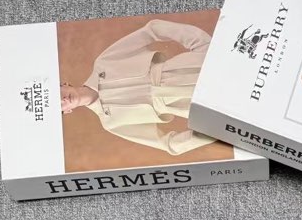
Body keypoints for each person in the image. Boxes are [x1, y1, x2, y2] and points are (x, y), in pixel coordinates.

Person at [60, 17, 216, 155]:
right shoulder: (111, 123)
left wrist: (206, 46)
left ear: (64, 84)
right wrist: (217, 130)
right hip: (198, 105)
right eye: (59, 106)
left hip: (194, 66)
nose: (63, 99)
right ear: (66, 111)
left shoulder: (104, 62)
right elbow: (169, 144)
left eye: (57, 94)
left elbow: (152, 30)